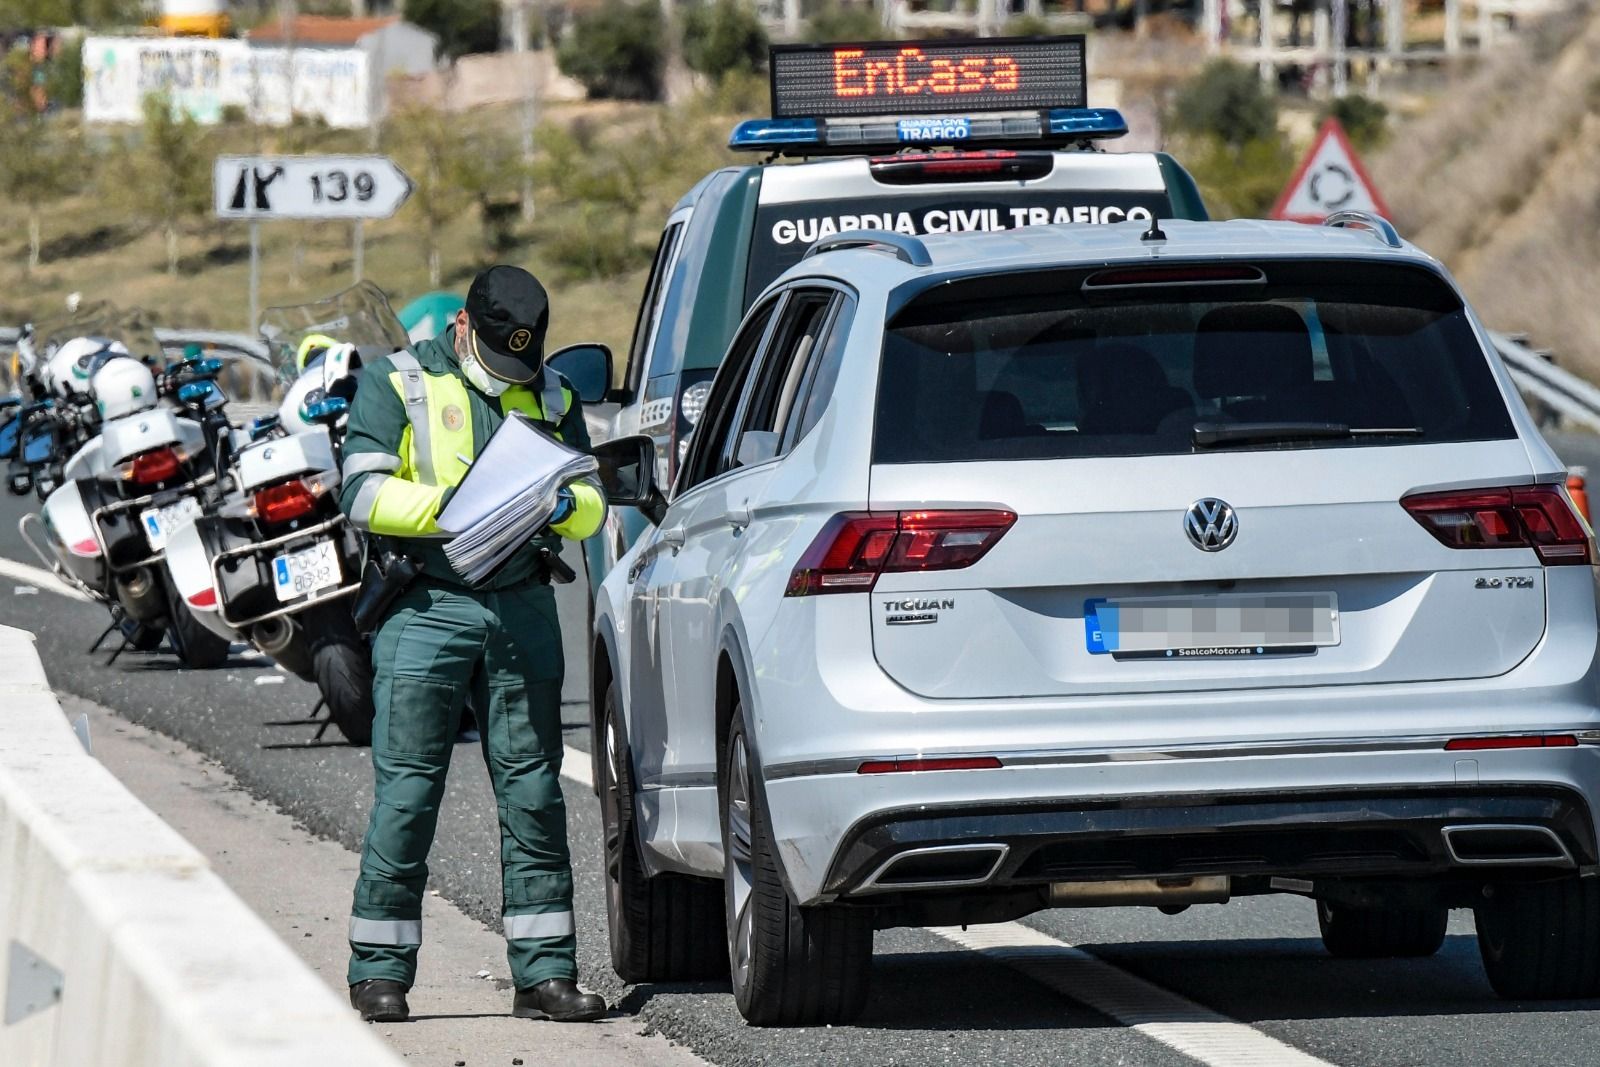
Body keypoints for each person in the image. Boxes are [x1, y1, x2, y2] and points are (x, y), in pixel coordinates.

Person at [338, 265, 607, 1024]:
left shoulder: (554, 393)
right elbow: (360, 491)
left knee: (534, 792)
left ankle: (545, 974)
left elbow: (591, 502)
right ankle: (379, 973)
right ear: (462, 326)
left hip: (520, 604)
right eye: (498, 358)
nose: (510, 375)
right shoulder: (397, 383)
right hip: (427, 604)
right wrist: (451, 509)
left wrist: (561, 502)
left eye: (522, 361)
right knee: (410, 791)